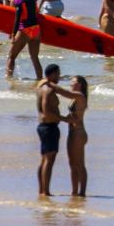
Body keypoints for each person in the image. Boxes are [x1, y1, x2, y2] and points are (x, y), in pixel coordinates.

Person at [36, 64, 82, 196]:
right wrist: (65, 119)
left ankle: (42, 190)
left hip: (43, 127)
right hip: (49, 127)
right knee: (49, 161)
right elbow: (47, 111)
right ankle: (46, 191)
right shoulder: (48, 90)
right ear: (51, 75)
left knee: (44, 159)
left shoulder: (41, 86)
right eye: (57, 74)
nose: (59, 77)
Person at [6, 0, 42, 79]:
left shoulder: (19, 1)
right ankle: (40, 80)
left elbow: (17, 18)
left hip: (24, 29)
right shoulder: (33, 0)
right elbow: (37, 14)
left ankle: (8, 80)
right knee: (35, 58)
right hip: (36, 30)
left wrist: (13, 34)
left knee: (11, 57)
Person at [66, 76, 89, 197]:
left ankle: (82, 192)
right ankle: (74, 191)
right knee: (72, 163)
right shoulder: (75, 97)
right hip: (72, 131)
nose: (70, 83)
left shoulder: (80, 96)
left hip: (78, 132)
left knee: (80, 164)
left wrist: (50, 84)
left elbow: (63, 93)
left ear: (79, 84)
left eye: (73, 82)